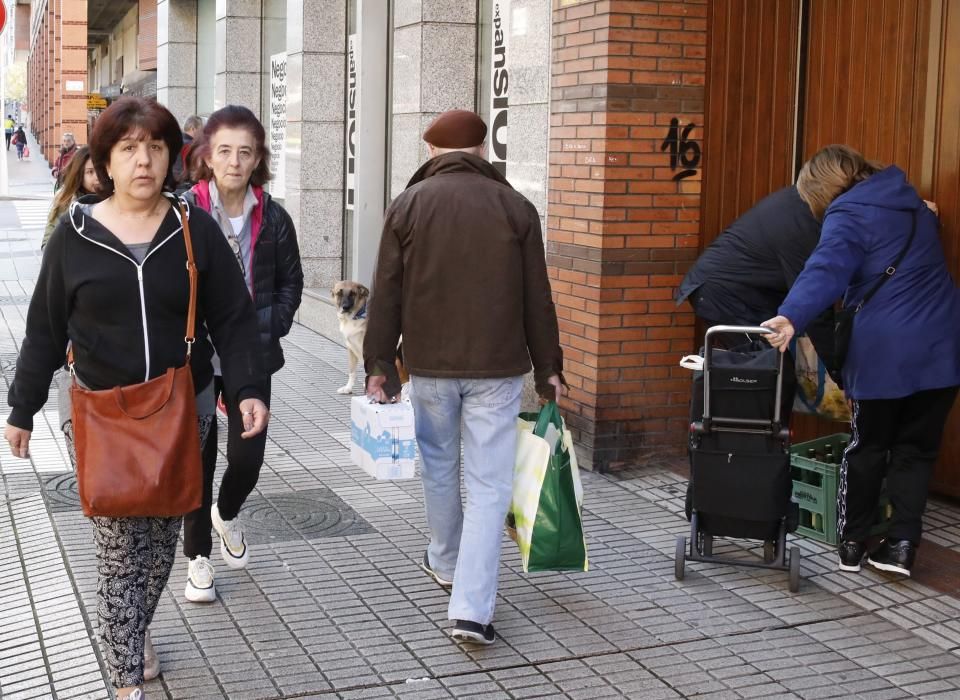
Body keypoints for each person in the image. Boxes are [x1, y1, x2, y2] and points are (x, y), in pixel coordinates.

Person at [4, 96, 269, 699]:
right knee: (121, 549)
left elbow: (233, 315)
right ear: (106, 160)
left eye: (154, 147)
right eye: (128, 148)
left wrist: (249, 387)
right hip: (103, 414)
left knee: (161, 539)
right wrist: (21, 409)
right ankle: (125, 676)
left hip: (184, 407)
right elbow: (45, 328)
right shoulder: (74, 236)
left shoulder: (191, 226)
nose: (143, 160)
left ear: (173, 157)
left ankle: (133, 626)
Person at [363, 110, 565, 645]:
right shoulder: (516, 207)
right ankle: (471, 610)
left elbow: (386, 292)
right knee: (490, 483)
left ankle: (447, 562)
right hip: (498, 368)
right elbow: (537, 297)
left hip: (428, 365)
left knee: (438, 467)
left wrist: (380, 364)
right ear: (482, 150)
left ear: (432, 151)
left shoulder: (408, 205)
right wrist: (549, 369)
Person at [762, 144, 960, 578]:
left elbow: (826, 267)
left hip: (884, 354)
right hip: (942, 348)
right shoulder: (913, 205)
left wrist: (792, 314)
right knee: (916, 450)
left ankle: (852, 544)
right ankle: (902, 547)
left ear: (820, 188)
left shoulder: (848, 213)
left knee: (868, 446)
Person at [180, 104, 303, 603]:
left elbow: (292, 283)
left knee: (248, 459)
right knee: (199, 461)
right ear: (207, 156)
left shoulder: (273, 216)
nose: (234, 161)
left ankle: (225, 513)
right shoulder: (183, 213)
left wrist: (265, 328)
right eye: (224, 151)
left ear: (258, 161)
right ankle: (198, 558)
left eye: (245, 152)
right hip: (196, 360)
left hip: (251, 356)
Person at [676, 185, 840, 420]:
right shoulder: (800, 222)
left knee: (769, 373)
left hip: (736, 292)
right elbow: (814, 300)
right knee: (767, 372)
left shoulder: (800, 204)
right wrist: (839, 371)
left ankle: (758, 443)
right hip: (726, 295)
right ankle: (747, 445)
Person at [43, 146, 99, 248]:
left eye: (100, 170)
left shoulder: (113, 198)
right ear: (79, 174)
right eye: (90, 172)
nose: (97, 177)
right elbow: (49, 236)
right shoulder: (65, 198)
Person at [173, 114, 203, 184]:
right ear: (193, 129)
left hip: (174, 183)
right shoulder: (190, 145)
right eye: (200, 129)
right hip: (185, 184)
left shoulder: (176, 140)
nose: (202, 133)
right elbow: (192, 170)